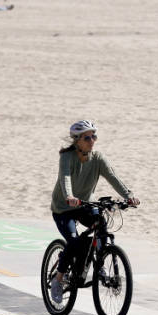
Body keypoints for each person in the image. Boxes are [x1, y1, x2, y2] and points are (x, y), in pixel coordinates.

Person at [48, 120, 139, 304]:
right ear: (77, 140)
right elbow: (65, 178)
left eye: (94, 136)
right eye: (87, 138)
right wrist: (69, 196)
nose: (92, 141)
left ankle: (100, 263)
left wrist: (128, 196)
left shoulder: (97, 158)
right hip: (63, 208)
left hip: (84, 205)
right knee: (74, 242)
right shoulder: (67, 157)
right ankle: (58, 279)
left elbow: (113, 177)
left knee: (101, 224)